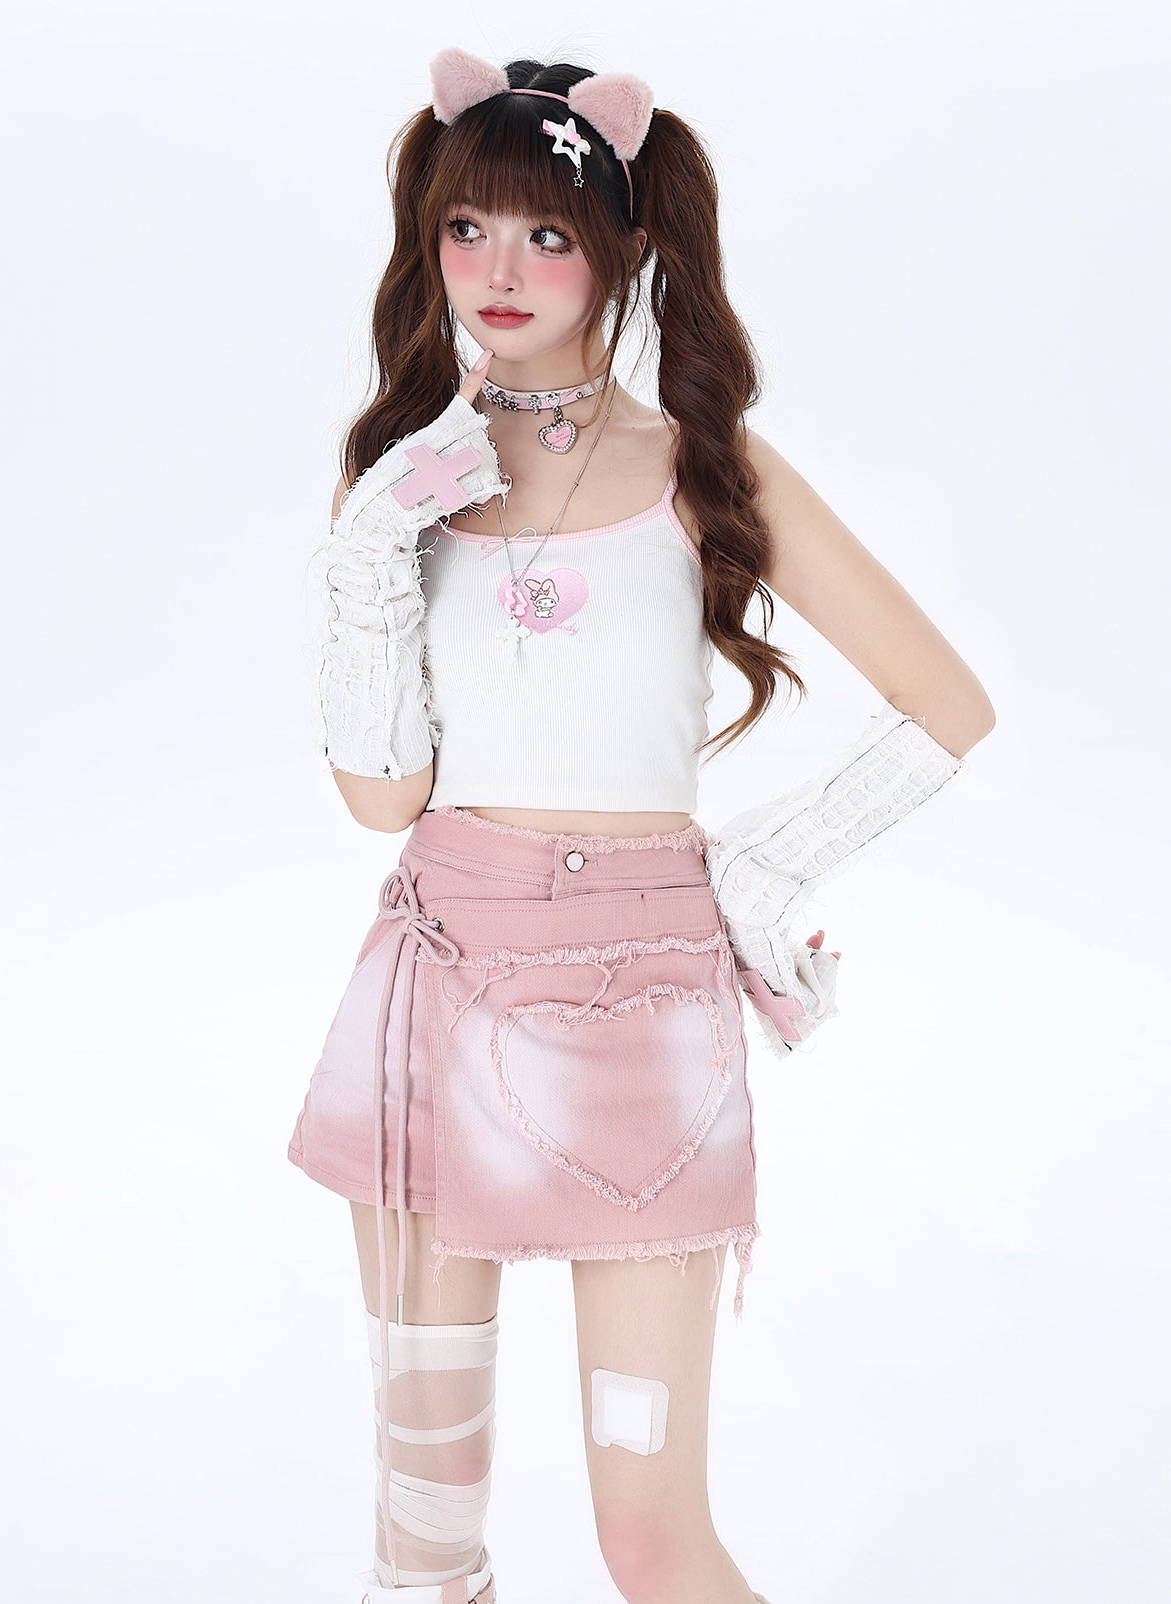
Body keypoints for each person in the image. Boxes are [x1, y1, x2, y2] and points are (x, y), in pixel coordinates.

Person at [287, 46, 996, 1604]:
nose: (498, 271)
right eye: (467, 228)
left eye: (546, 233)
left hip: (650, 1013)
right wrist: (370, 548)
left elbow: (946, 705)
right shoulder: (401, 477)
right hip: (438, 983)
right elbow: (381, 796)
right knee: (424, 1538)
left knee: (651, 1538)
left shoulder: (700, 468)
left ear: (623, 247)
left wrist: (762, 862)